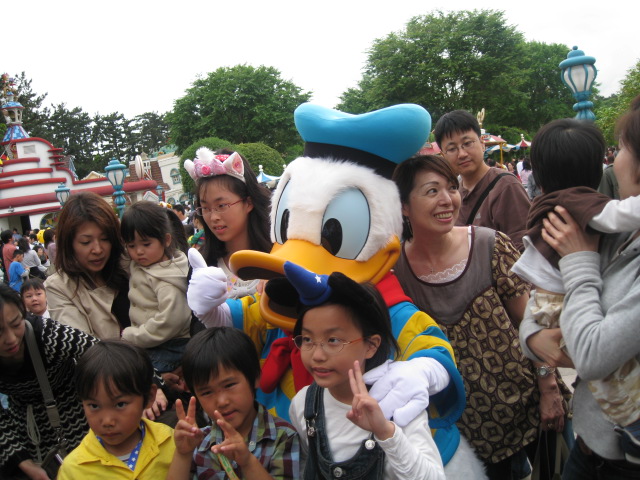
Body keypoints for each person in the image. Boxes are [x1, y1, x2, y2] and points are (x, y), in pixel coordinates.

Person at [392, 155, 571, 479]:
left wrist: (548, 388)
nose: (447, 200)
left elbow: (531, 324)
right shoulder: (397, 272)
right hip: (469, 431)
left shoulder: (489, 245)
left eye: (452, 188)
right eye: (432, 191)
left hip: (531, 406)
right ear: (404, 206)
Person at [520, 96, 640, 478]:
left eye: (621, 148)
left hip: (620, 463)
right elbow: (537, 310)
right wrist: (533, 339)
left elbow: (589, 355)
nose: (614, 160)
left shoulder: (603, 227)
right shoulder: (612, 227)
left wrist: (578, 260)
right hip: (588, 443)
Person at [285, 264, 446, 479]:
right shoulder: (303, 404)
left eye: (333, 340)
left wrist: (385, 432)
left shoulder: (399, 402)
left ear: (371, 345)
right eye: (307, 339)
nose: (317, 355)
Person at [168, 327, 300, 479]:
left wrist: (248, 462)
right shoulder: (198, 441)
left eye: (229, 385)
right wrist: (183, 454)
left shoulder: (284, 436)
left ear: (255, 377)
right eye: (207, 392)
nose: (222, 401)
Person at [0, 284, 99, 479]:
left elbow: (100, 353)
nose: (10, 339)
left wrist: (148, 385)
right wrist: (22, 460)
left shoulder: (47, 334)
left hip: (77, 416)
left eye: (16, 324)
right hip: (27, 429)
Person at [58, 341, 176, 479]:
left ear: (149, 396)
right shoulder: (74, 469)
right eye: (94, 406)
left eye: (120, 404)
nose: (107, 421)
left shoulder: (171, 442)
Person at [185, 147, 271, 307]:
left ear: (248, 203)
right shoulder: (202, 268)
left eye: (221, 205)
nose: (213, 217)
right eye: (205, 208)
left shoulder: (279, 256)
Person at [434, 110, 530, 251]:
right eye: (452, 149)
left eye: (467, 143)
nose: (462, 154)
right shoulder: (453, 194)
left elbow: (522, 248)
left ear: (482, 143)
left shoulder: (506, 186)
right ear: (443, 155)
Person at [45, 191, 130, 340]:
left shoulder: (130, 264)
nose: (97, 250)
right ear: (68, 243)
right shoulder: (59, 287)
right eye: (86, 242)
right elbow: (84, 346)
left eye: (105, 238)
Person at [120, 201, 191, 375]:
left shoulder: (166, 279)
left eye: (146, 244)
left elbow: (170, 322)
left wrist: (132, 336)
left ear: (166, 240)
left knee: (136, 376)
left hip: (170, 346)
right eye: (131, 246)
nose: (138, 252)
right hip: (153, 341)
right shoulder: (143, 264)